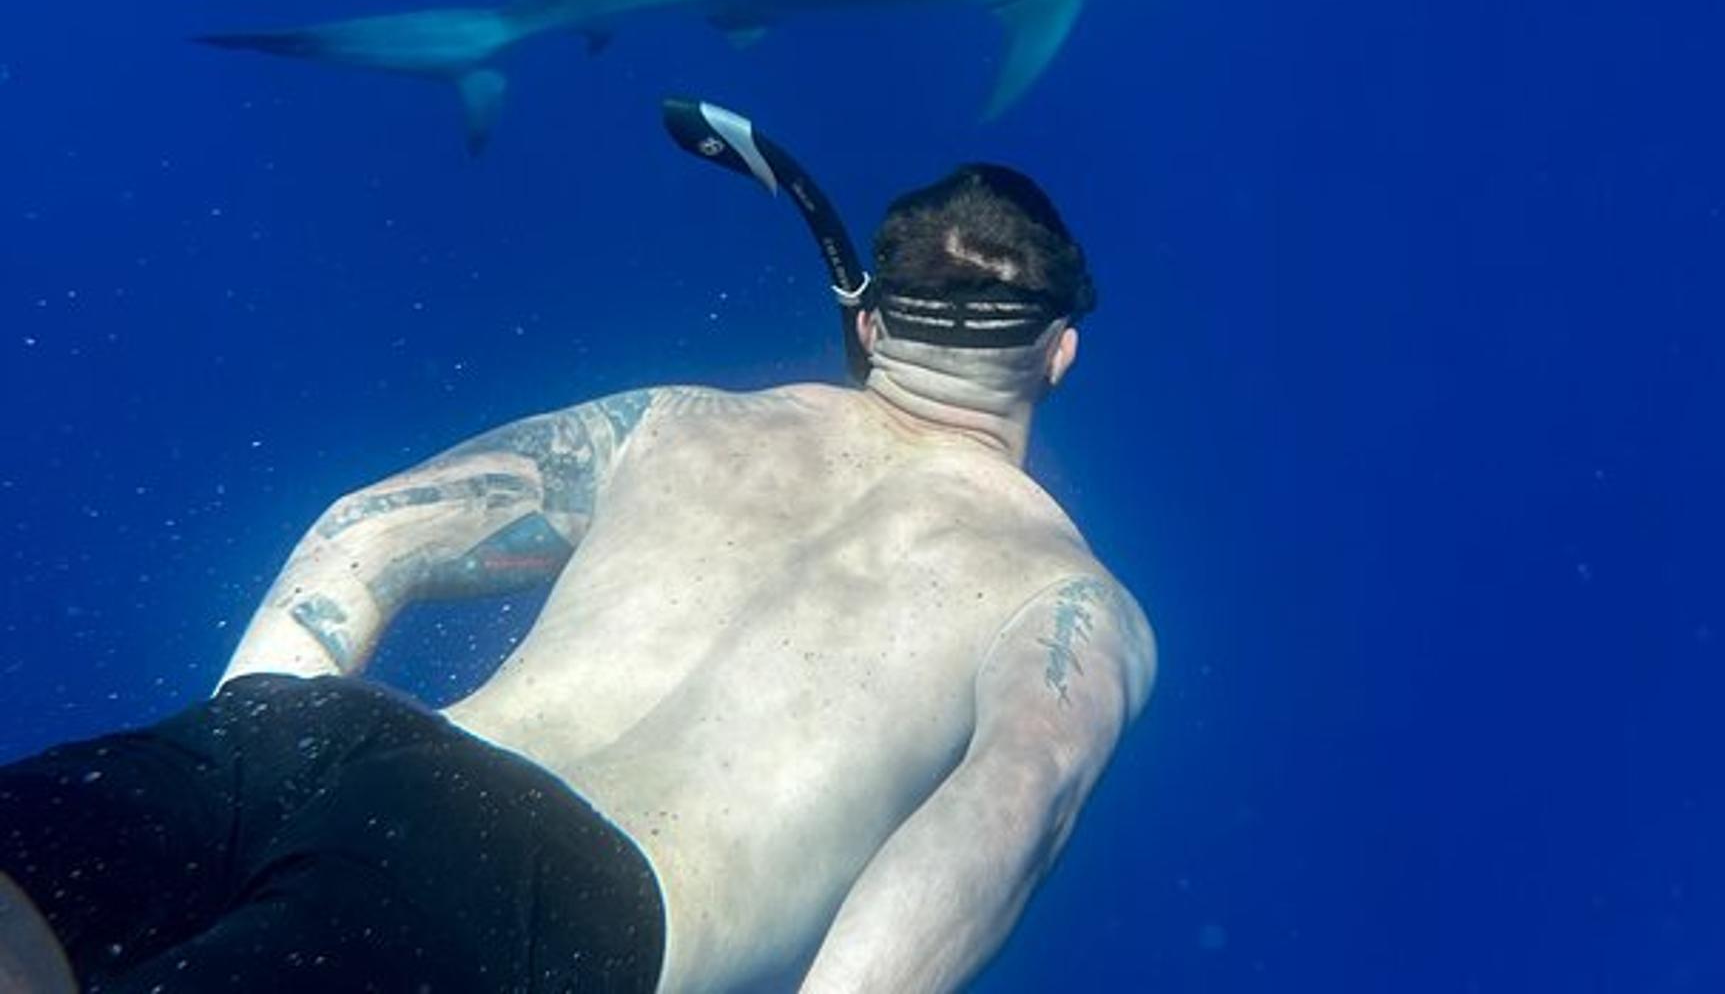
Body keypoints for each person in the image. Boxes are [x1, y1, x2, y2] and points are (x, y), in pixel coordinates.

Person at [0, 164, 1155, 994]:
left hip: (313, 738)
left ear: (863, 324)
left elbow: (367, 530)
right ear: (1060, 351)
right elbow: (1010, 806)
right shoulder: (1066, 601)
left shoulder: (673, 422)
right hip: (555, 894)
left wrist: (250, 737)